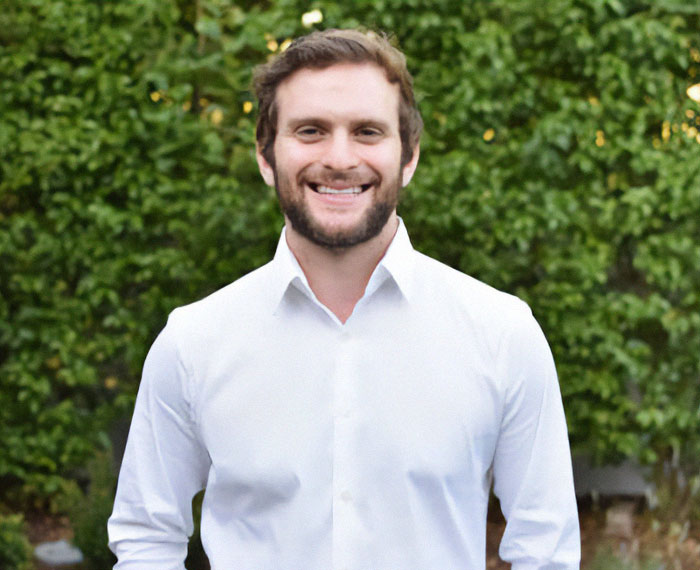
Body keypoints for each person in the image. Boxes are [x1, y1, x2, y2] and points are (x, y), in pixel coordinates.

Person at [108, 28, 580, 569]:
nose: (339, 157)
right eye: (310, 130)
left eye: (367, 131)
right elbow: (147, 539)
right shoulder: (192, 342)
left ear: (409, 157)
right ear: (266, 156)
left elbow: (546, 551)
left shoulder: (502, 333)